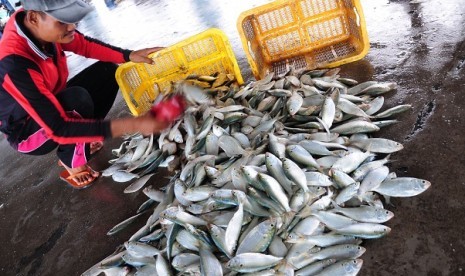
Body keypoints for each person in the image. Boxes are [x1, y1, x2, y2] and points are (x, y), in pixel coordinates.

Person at [0, 0, 172, 189]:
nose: (72, 26)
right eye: (63, 21)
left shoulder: (37, 27)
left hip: (51, 102)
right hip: (27, 131)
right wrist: (133, 124)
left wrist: (128, 55)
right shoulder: (15, 64)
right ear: (33, 17)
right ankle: (71, 160)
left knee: (107, 72)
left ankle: (82, 139)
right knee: (77, 100)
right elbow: (58, 128)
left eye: (72, 19)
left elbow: (84, 45)